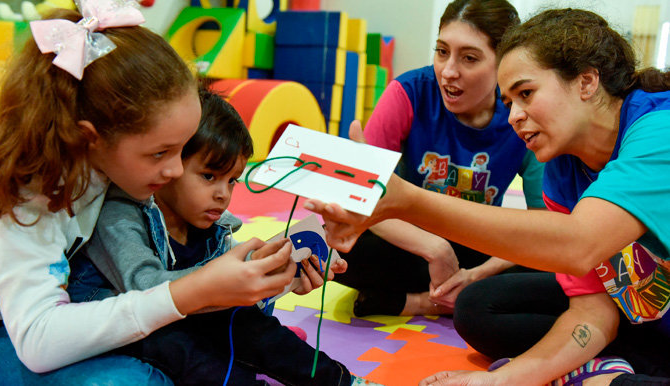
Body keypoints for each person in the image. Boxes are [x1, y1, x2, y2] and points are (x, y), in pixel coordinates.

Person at [306, 7, 670, 386]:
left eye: (526, 94)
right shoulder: (563, 168)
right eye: (509, 100)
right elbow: (592, 314)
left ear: (586, 81)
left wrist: (407, 200)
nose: (513, 116)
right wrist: (494, 382)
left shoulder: (659, 130)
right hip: (644, 315)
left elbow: (577, 244)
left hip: (642, 311)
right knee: (478, 308)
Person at [0, 4, 296, 385]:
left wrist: (268, 272)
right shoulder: (24, 186)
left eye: (182, 149)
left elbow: (182, 268)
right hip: (0, 327)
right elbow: (37, 338)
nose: (176, 170)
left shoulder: (114, 161)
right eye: (160, 153)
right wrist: (193, 292)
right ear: (89, 137)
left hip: (71, 296)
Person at [67, 88, 377, 386]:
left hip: (187, 315)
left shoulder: (208, 224)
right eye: (209, 176)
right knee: (182, 349)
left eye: (232, 181)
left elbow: (228, 283)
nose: (222, 194)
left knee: (253, 326)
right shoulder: (120, 213)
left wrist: (281, 268)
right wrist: (227, 281)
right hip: (128, 324)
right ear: (169, 162)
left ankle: (340, 380)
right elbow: (145, 291)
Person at [335, 0, 545, 318]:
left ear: (504, 64)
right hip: (411, 242)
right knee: (334, 246)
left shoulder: (522, 114)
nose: (448, 71)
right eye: (442, 51)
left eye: (469, 58)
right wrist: (435, 249)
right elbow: (360, 198)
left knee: (556, 269)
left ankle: (409, 301)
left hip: (479, 244)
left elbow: (546, 223)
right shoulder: (408, 92)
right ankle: (434, 302)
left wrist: (478, 275)